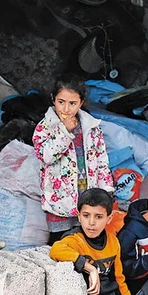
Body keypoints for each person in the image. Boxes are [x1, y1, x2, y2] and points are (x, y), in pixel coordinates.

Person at [33, 74, 113, 244]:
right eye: (61, 102)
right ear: (53, 99)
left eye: (72, 103)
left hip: (88, 196)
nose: (66, 109)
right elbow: (46, 156)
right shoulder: (45, 127)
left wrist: (106, 191)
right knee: (61, 244)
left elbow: (102, 159)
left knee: (87, 242)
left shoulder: (91, 126)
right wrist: (64, 131)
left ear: (81, 102)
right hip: (60, 202)